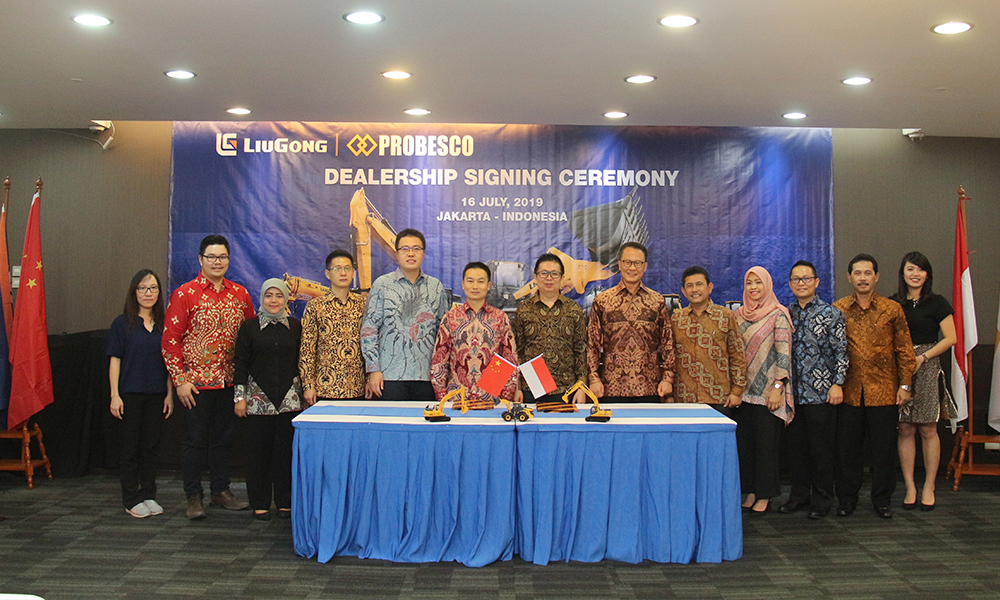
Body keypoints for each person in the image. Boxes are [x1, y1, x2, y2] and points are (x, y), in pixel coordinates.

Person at [162, 234, 255, 519]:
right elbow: (170, 341)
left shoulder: (240, 294)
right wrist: (180, 380)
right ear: (201, 259)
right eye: (212, 257)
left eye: (222, 257)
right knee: (194, 441)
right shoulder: (185, 294)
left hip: (229, 381)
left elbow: (250, 337)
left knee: (223, 440)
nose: (217, 262)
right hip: (195, 385)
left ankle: (221, 490)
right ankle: (193, 496)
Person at [833, 254, 916, 519]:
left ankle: (882, 500)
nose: (862, 278)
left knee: (884, 451)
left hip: (884, 391)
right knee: (847, 451)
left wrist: (905, 385)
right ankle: (847, 499)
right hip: (849, 392)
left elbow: (905, 350)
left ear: (876, 277)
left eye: (867, 273)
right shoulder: (838, 309)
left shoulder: (892, 309)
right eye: (857, 273)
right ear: (849, 277)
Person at [779, 260, 848, 520]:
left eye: (806, 278)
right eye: (796, 279)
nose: (801, 283)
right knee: (796, 451)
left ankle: (822, 499)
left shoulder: (831, 313)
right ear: (790, 284)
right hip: (793, 395)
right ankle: (799, 496)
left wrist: (837, 383)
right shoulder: (786, 313)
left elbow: (841, 352)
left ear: (817, 282)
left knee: (821, 451)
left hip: (821, 394)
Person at [890, 251, 956, 511]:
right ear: (903, 273)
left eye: (920, 269)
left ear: (927, 274)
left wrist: (923, 357)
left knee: (928, 429)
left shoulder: (937, 302)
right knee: (905, 428)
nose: (915, 274)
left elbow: (951, 338)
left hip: (927, 367)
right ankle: (910, 487)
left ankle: (929, 486)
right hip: (899, 368)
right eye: (910, 269)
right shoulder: (894, 303)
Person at [233, 279, 304, 520]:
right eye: (269, 296)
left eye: (279, 296)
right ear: (262, 298)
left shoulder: (296, 327)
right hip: (257, 400)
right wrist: (240, 398)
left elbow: (302, 362)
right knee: (258, 455)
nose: (273, 300)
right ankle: (260, 502)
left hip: (289, 400)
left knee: (285, 454)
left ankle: (285, 502)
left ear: (286, 299)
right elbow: (241, 363)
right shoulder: (249, 327)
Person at [108, 269, 174, 518]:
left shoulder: (165, 325)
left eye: (153, 288)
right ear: (134, 292)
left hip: (157, 394)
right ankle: (131, 498)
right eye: (143, 288)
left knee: (150, 447)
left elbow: (170, 363)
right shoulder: (122, 324)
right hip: (130, 394)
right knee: (130, 449)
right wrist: (115, 395)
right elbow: (115, 360)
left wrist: (169, 394)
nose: (148, 293)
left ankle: (148, 494)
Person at [361, 228, 451, 401]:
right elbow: (369, 329)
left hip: (427, 376)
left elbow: (443, 333)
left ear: (423, 253)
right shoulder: (382, 285)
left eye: (416, 248)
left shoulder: (435, 287)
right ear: (396, 254)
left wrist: (442, 372)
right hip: (389, 375)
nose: (411, 253)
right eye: (405, 249)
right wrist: (373, 369)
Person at [733, 266, 794, 514]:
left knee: (766, 447)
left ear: (767, 285)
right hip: (742, 391)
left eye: (758, 282)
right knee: (746, 446)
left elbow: (784, 354)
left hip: (768, 393)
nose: (753, 288)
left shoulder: (778, 315)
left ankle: (765, 494)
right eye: (749, 283)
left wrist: (778, 387)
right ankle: (751, 490)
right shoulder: (737, 315)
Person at [587, 242, 675, 403]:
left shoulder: (657, 301)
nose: (632, 268)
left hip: (650, 386)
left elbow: (667, 341)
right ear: (619, 264)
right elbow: (592, 343)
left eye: (637, 263)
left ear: (645, 266)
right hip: (611, 387)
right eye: (627, 262)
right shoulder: (603, 300)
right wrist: (593, 378)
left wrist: (668, 378)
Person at [431, 262, 519, 410]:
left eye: (481, 281)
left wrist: (505, 399)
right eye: (470, 281)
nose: (475, 286)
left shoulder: (500, 318)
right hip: (457, 401)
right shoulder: (450, 318)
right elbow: (439, 361)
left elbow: (510, 360)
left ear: (488, 285)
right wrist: (442, 398)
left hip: (492, 402)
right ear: (463, 285)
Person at [511, 253, 588, 411]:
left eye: (554, 274)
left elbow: (581, 350)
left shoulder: (573, 309)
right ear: (535, 277)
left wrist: (581, 386)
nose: (549, 278)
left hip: (566, 389)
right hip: (530, 389)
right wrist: (516, 386)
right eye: (544, 273)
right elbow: (516, 351)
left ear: (562, 278)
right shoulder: (524, 309)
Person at [671, 266, 747, 414]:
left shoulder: (725, 316)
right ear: (683, 291)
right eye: (690, 286)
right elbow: (670, 357)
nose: (694, 290)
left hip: (719, 397)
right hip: (684, 398)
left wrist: (737, 391)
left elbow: (737, 355)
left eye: (699, 284)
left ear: (709, 287)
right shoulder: (676, 319)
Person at [299, 250, 367, 402]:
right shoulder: (315, 306)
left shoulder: (363, 305)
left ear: (353, 273)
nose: (343, 273)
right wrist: (308, 385)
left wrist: (369, 379)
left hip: (357, 387)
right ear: (328, 274)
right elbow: (307, 348)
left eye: (347, 268)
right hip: (325, 388)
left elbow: (371, 344)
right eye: (337, 268)